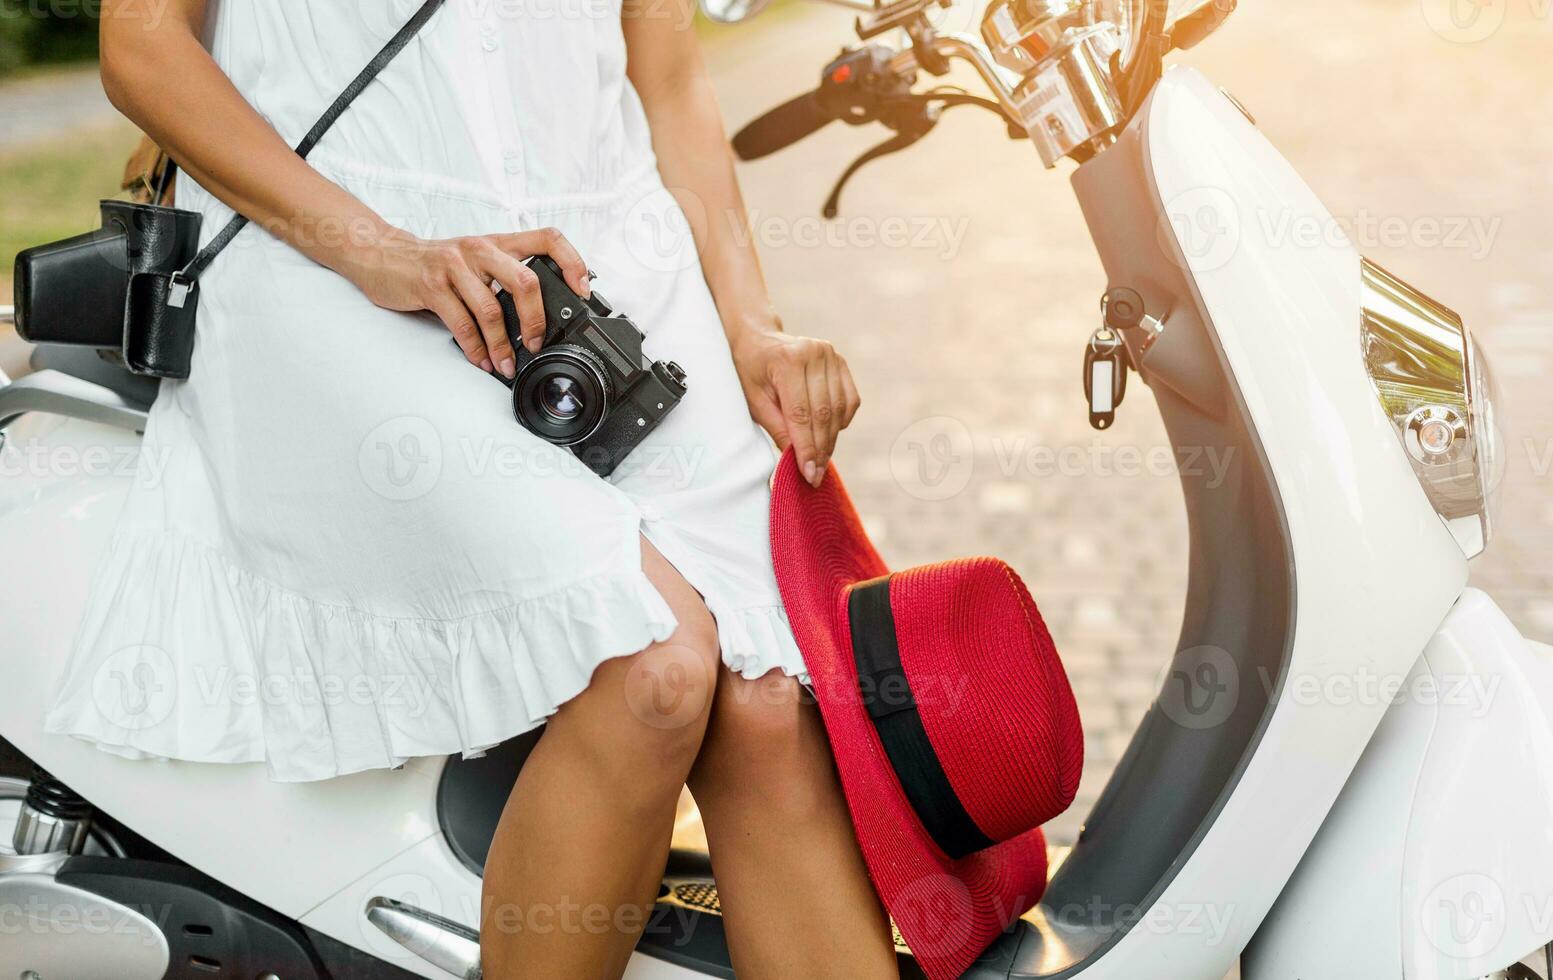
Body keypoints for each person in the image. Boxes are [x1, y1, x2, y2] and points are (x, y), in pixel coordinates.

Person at [44, 1, 898, 976]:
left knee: (768, 705)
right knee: (653, 662)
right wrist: (383, 251)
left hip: (613, 272)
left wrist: (752, 323)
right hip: (332, 261)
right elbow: (142, 49)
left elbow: (668, 80)